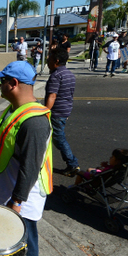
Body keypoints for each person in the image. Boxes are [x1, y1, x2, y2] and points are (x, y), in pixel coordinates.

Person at [0, 61, 53, 256]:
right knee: (14, 238)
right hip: (8, 188)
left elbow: (30, 167)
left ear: (13, 84)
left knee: (27, 239)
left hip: (23, 195)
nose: (0, 85)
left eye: (2, 81)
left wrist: (17, 201)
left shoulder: (34, 121)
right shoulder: (14, 108)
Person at [45, 48, 80, 176]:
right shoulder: (70, 74)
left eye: (49, 59)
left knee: (59, 139)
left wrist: (45, 112)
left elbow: (52, 96)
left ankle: (72, 164)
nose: (48, 61)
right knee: (54, 137)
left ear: (57, 61)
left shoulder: (56, 75)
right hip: (65, 110)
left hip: (56, 112)